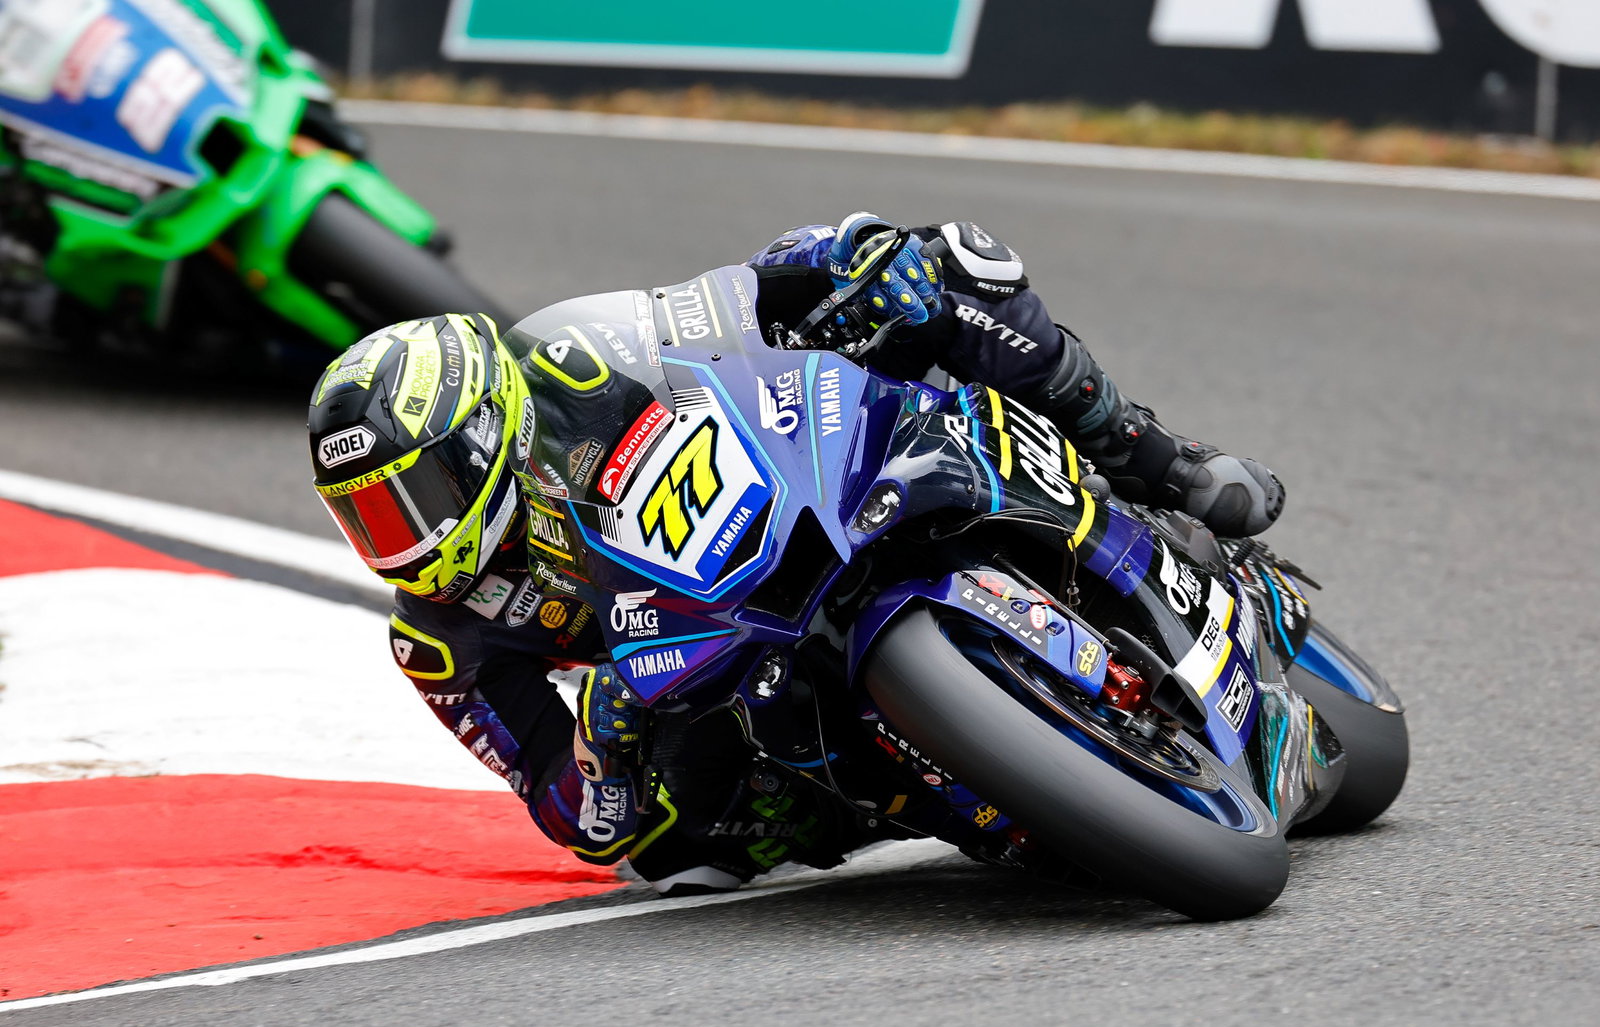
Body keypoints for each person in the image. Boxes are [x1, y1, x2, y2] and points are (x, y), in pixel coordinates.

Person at [306, 213, 1283, 896]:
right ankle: (968, 786)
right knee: (669, 849)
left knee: (949, 264)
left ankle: (1160, 461)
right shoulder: (438, 641)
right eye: (370, 518)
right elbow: (571, 811)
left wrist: (833, 268)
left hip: (779, 506)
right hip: (692, 684)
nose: (403, 538)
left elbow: (712, 307)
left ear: (484, 437)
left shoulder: (568, 362)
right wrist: (602, 745)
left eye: (412, 497)